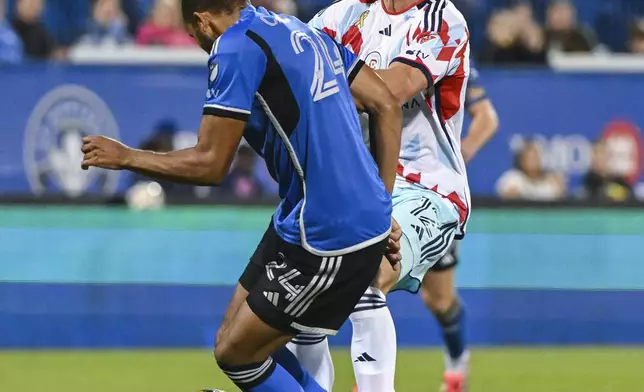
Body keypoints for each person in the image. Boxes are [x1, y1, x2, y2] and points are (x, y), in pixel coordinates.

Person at [80, 0, 403, 391]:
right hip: (306, 214)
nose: (199, 44)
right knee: (232, 338)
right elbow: (385, 102)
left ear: (201, 21)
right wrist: (380, 206)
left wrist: (127, 157)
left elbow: (211, 164)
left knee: (235, 354)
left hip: (328, 229)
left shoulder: (233, 46)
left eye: (192, 34)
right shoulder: (296, 28)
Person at [295, 1, 473, 391]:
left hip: (426, 187)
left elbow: (389, 92)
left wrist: (318, 80)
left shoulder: (441, 20)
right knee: (300, 299)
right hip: (357, 185)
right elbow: (289, 67)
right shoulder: (340, 16)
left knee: (370, 273)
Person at [496, 141, 566, 201]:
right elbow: (506, 197)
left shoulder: (551, 181)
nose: (533, 161)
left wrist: (560, 190)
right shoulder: (512, 178)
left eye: (536, 157)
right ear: (522, 160)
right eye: (529, 158)